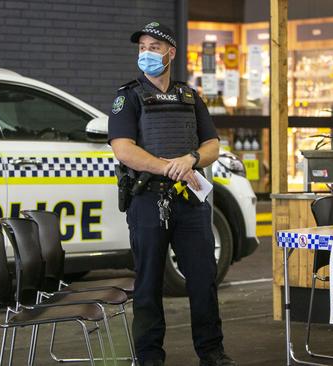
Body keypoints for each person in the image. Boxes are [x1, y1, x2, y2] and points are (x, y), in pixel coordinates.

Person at [108, 22, 235, 366]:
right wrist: (168, 166)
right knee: (148, 283)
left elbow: (212, 145)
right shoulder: (128, 96)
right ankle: (149, 357)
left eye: (153, 47)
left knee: (203, 279)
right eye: (142, 47)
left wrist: (191, 158)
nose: (146, 53)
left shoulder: (189, 96)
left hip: (190, 201)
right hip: (148, 198)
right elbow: (123, 149)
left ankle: (212, 352)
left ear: (171, 53)